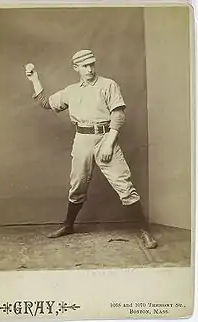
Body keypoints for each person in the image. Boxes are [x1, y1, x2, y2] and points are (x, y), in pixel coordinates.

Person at [25, 49, 157, 249]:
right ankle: (68, 225)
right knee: (77, 186)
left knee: (124, 186)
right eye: (85, 66)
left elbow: (118, 115)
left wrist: (109, 142)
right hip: (82, 140)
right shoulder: (71, 91)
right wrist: (34, 79)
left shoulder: (108, 85)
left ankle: (145, 231)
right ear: (75, 68)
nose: (89, 69)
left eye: (92, 64)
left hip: (106, 137)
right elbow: (46, 103)